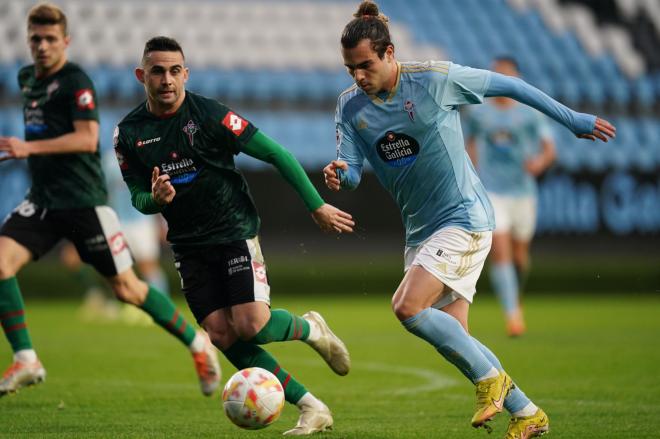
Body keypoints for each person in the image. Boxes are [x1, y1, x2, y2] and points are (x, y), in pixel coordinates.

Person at [323, 2, 615, 438]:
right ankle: (528, 413)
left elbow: (510, 86)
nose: (358, 77)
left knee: (406, 307)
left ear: (389, 53)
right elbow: (351, 168)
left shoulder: (435, 79)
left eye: (365, 65)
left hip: (464, 216)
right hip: (420, 228)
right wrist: (340, 174)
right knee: (458, 338)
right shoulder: (349, 107)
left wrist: (572, 120)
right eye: (350, 70)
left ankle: (491, 382)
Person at [114, 36, 355, 435]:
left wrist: (316, 205)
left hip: (232, 230)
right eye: (157, 71)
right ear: (142, 75)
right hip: (189, 245)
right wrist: (155, 199)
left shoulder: (209, 115)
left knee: (251, 325)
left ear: (186, 74)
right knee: (221, 334)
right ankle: (312, 407)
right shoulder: (128, 134)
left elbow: (277, 154)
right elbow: (138, 197)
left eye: (175, 71)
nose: (167, 80)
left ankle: (311, 328)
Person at [0, 3, 220, 399]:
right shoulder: (26, 77)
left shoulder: (76, 82)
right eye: (36, 38)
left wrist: (29, 148)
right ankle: (27, 358)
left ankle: (197, 343)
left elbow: (87, 139)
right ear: (28, 40)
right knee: (0, 263)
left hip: (84, 203)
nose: (43, 46)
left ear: (65, 41)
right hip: (44, 201)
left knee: (128, 289)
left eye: (51, 39)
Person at [465, 57, 557, 337]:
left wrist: (539, 164)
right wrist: (473, 172)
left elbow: (549, 148)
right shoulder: (479, 111)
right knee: (500, 250)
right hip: (493, 191)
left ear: (516, 79)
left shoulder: (530, 112)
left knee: (519, 257)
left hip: (523, 192)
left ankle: (515, 296)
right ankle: (513, 316)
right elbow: (469, 143)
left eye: (506, 74)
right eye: (497, 74)